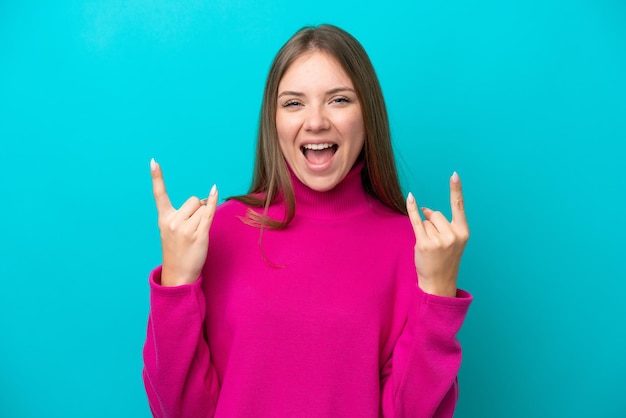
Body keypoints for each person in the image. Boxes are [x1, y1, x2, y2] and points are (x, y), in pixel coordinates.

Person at [143, 24, 472, 418]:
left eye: (338, 100)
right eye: (294, 103)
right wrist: (177, 282)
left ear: (368, 114)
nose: (315, 122)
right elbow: (178, 410)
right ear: (273, 121)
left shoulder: (414, 247)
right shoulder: (220, 232)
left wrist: (436, 297)